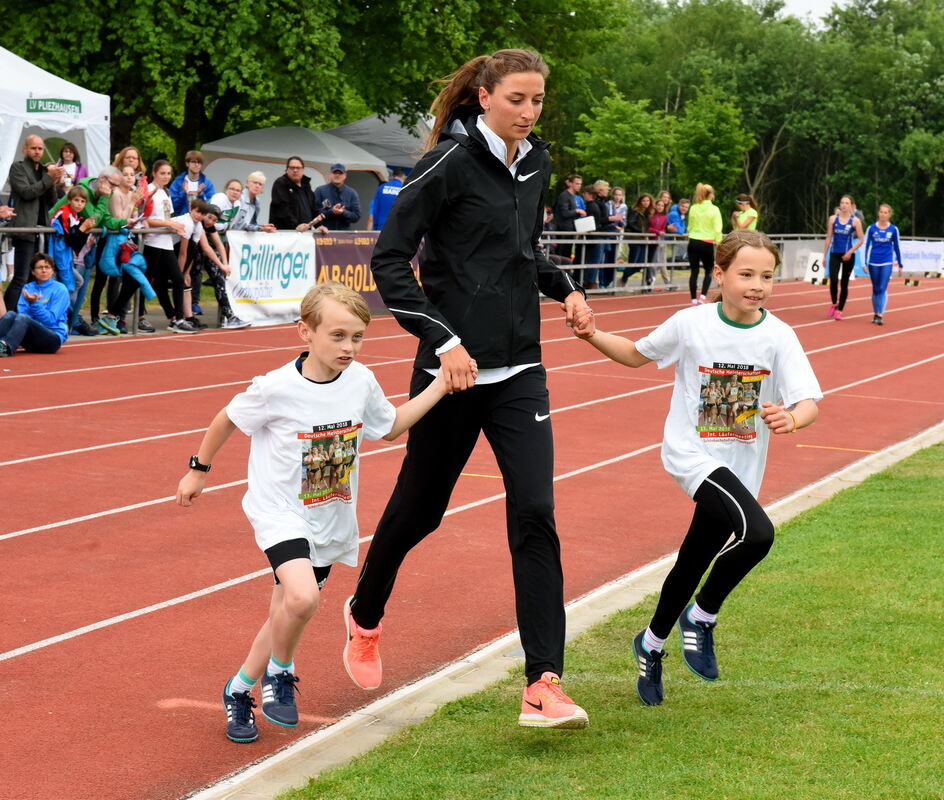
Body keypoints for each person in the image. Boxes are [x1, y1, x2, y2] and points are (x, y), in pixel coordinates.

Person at [340, 48, 591, 730]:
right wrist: (444, 341)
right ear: (483, 96)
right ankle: (364, 613)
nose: (528, 112)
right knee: (420, 510)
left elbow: (521, 251)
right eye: (517, 99)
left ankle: (543, 682)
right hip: (451, 372)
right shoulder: (446, 164)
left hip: (520, 370)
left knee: (535, 511)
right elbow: (389, 260)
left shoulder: (536, 163)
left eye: (537, 101)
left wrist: (564, 289)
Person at [175, 281, 454, 743]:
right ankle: (280, 675)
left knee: (284, 612)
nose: (349, 347)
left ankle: (239, 689)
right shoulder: (275, 388)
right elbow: (227, 417)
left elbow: (390, 427)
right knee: (303, 599)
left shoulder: (361, 380)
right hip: (279, 511)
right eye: (337, 336)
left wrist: (441, 385)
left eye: (357, 337)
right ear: (305, 332)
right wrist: (198, 470)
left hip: (329, 514)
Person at [572, 229, 821, 706]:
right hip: (693, 456)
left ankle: (650, 643)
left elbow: (808, 401)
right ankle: (702, 616)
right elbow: (636, 356)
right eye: (746, 274)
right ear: (720, 273)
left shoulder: (778, 335)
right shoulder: (692, 324)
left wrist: (791, 418)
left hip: (741, 465)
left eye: (767, 276)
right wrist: (592, 335)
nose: (757, 285)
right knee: (759, 535)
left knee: (693, 560)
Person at [5, 135, 63, 309]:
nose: (37, 152)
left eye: (40, 148)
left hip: (42, 231)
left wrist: (53, 182)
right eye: (33, 148)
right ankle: (6, 315)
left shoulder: (44, 171)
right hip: (25, 229)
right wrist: (47, 178)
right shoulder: (18, 168)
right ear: (25, 149)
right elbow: (26, 192)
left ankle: (25, 314)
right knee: (21, 277)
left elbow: (53, 201)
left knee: (36, 277)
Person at [0, 252, 71, 357]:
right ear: (33, 271)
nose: (44, 270)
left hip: (51, 339)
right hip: (31, 338)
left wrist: (34, 304)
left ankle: (6, 349)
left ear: (52, 270)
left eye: (47, 267)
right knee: (10, 314)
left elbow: (50, 320)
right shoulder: (28, 288)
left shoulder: (60, 289)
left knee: (23, 318)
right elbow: (22, 313)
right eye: (40, 267)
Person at [822, 194, 864, 321]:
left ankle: (840, 310)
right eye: (842, 203)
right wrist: (824, 255)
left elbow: (861, 240)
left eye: (846, 203)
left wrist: (850, 252)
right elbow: (829, 237)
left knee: (844, 284)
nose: (844, 205)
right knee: (833, 280)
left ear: (851, 206)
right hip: (835, 253)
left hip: (848, 256)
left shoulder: (855, 221)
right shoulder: (833, 219)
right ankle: (834, 304)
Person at [863, 203, 903, 326]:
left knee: (882, 288)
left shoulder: (893, 229)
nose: (883, 214)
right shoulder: (871, 228)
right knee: (875, 289)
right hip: (874, 261)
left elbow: (897, 247)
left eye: (886, 212)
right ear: (878, 213)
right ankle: (876, 313)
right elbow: (866, 246)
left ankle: (880, 314)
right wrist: (865, 263)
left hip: (887, 261)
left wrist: (900, 264)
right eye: (881, 212)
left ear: (889, 214)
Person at [686, 183, 723, 304]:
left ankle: (693, 299)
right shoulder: (714, 209)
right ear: (711, 194)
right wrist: (719, 243)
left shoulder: (693, 207)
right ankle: (702, 296)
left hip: (693, 241)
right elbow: (718, 228)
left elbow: (690, 226)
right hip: (707, 242)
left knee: (694, 271)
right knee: (708, 270)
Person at [269, 157, 325, 232]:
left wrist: (319, 225)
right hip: (285, 234)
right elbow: (282, 209)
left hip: (305, 234)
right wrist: (296, 225)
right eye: (292, 168)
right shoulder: (280, 183)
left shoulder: (306, 185)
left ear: (303, 170)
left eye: (298, 168)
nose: (295, 170)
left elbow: (313, 208)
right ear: (287, 170)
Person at [314, 164, 361, 231]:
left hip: (344, 236)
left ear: (345, 176)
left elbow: (356, 216)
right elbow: (314, 213)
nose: (337, 175)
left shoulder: (352, 193)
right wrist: (331, 211)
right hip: (324, 234)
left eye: (340, 173)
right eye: (335, 173)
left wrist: (343, 212)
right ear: (330, 174)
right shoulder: (320, 191)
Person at [169, 150, 216, 215]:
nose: (197, 165)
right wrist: (183, 193)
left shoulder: (207, 184)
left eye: (199, 162)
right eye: (193, 162)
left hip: (200, 222)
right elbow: (173, 206)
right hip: (182, 220)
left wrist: (200, 195)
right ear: (187, 163)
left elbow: (210, 207)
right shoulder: (177, 183)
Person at [551, 173, 585, 261]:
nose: (579, 186)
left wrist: (579, 213)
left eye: (580, 184)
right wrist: (577, 211)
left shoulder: (572, 196)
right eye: (577, 183)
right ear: (569, 183)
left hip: (569, 231)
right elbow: (564, 213)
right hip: (563, 231)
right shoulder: (565, 195)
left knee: (567, 256)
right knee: (562, 256)